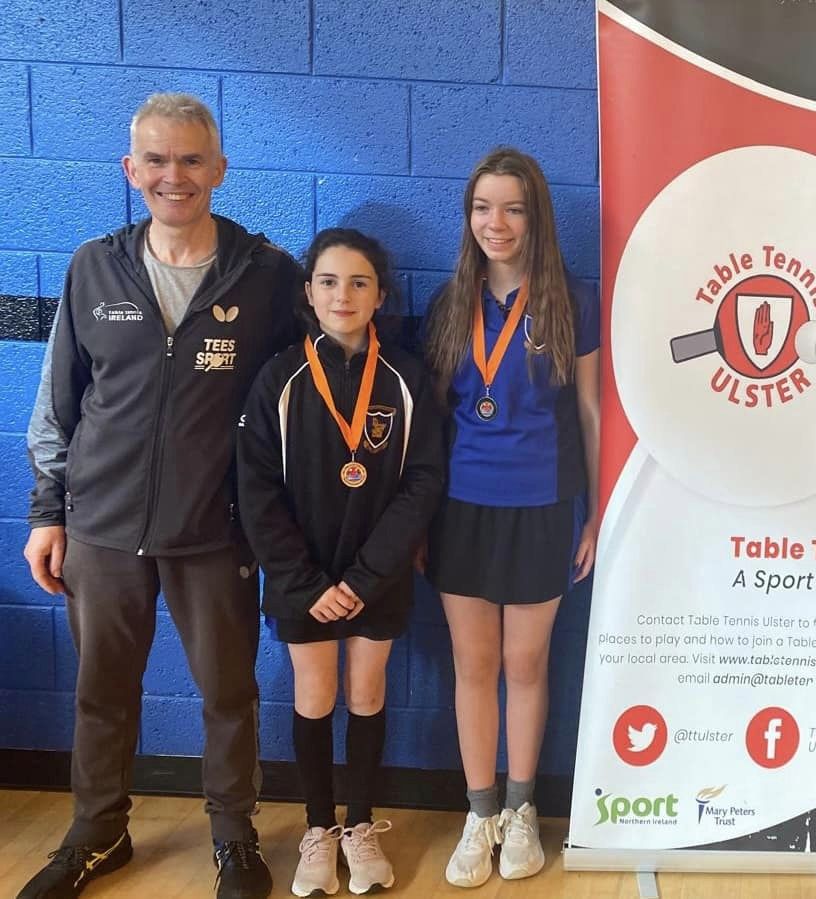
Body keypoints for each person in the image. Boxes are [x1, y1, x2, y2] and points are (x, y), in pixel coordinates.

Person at [20, 92, 300, 899]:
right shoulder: (92, 266)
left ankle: (234, 837)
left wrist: (278, 523)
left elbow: (294, 412)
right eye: (156, 159)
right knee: (101, 692)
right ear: (130, 168)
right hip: (101, 526)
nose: (173, 175)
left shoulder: (269, 275)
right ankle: (98, 832)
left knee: (228, 692)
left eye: (190, 159)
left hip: (214, 530)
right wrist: (47, 512)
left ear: (219, 168)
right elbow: (58, 403)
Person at [235, 229, 445, 896]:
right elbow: (256, 491)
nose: (342, 295)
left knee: (368, 692)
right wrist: (305, 584)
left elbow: (423, 483)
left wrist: (365, 578)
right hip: (304, 579)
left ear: (381, 295)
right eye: (328, 281)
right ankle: (319, 829)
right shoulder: (280, 379)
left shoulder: (406, 378)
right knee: (315, 694)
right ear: (308, 291)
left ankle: (359, 824)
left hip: (375, 577)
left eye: (359, 282)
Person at [423, 146, 600, 888]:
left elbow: (590, 410)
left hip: (543, 506)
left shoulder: (572, 301)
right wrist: (419, 522)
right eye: (482, 207)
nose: (496, 223)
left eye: (513, 208)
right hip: (461, 509)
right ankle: (479, 813)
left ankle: (522, 809)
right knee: (474, 665)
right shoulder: (449, 303)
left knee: (526, 664)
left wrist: (594, 514)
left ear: (536, 218)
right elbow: (431, 423)